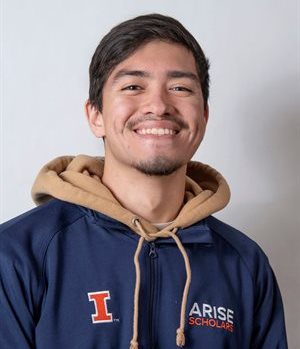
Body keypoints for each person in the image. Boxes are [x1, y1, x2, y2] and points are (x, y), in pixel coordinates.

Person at [0, 13, 288, 349]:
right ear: (96, 116)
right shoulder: (17, 255)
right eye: (133, 86)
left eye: (180, 88)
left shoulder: (245, 264)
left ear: (204, 116)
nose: (158, 105)